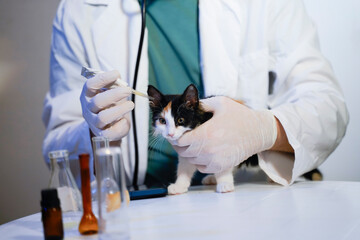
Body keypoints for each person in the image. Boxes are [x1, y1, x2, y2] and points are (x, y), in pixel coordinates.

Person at [42, 0, 349, 188]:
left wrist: (266, 129)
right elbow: (56, 146)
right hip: (134, 206)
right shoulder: (78, 9)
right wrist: (93, 132)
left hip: (239, 198)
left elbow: (328, 107)